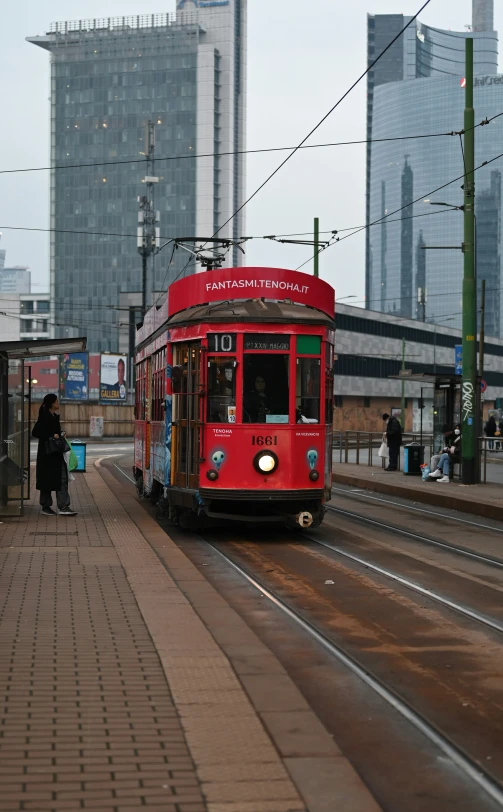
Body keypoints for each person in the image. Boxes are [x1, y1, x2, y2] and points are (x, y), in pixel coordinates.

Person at [32, 394, 77, 516]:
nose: (58, 403)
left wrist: (60, 433)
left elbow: (53, 432)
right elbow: (35, 432)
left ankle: (60, 505)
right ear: (52, 403)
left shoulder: (52, 416)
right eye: (57, 401)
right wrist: (51, 435)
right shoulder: (45, 417)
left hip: (55, 453)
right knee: (51, 480)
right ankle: (52, 506)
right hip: (48, 455)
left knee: (59, 479)